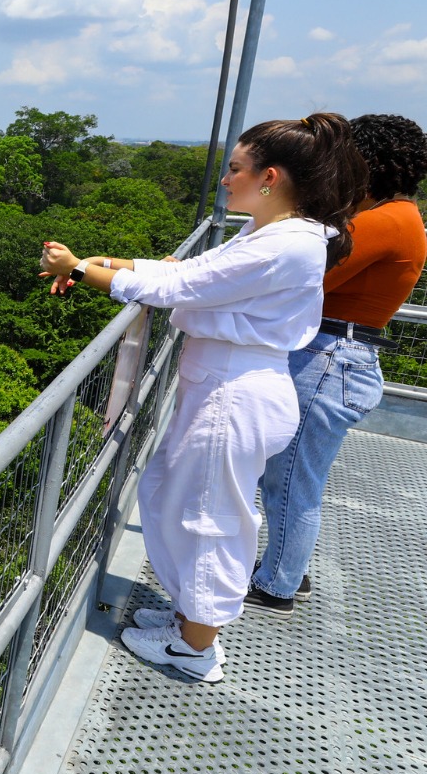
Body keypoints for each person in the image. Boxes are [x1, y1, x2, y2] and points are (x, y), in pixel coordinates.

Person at [40, 113, 366, 682]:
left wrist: (80, 270)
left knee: (209, 516)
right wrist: (93, 263)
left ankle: (194, 648)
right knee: (178, 495)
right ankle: (193, 620)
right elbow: (191, 271)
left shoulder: (284, 245)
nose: (224, 181)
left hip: (233, 396)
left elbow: (174, 287)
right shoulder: (270, 235)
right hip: (225, 387)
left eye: (234, 169)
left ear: (268, 177)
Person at [247, 113, 427, 616]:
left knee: (292, 479)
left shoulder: (383, 222)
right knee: (288, 475)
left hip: (330, 359)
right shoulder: (398, 216)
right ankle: (285, 570)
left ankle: (278, 585)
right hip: (334, 355)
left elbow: (301, 280)